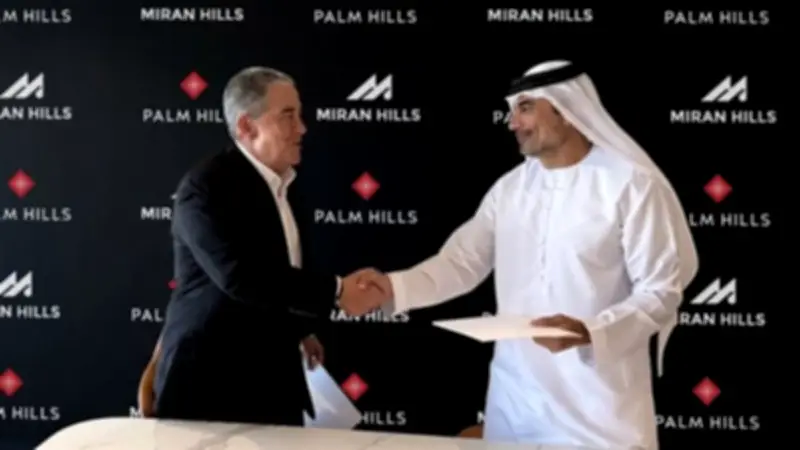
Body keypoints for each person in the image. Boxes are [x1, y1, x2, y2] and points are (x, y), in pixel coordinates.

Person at [344, 60, 699, 449]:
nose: (513, 122)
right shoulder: (510, 189)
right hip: (516, 403)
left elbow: (661, 292)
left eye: (525, 108)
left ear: (566, 110)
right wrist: (392, 287)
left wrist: (592, 331)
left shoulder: (631, 185)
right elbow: (461, 263)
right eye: (512, 111)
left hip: (601, 408)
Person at [152, 66, 385, 425]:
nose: (302, 128)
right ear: (247, 127)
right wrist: (338, 291)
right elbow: (242, 276)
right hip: (209, 382)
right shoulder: (206, 187)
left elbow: (288, 266)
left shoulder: (287, 184)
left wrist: (302, 328)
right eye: (287, 116)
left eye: (300, 115)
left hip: (273, 373)